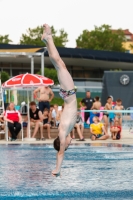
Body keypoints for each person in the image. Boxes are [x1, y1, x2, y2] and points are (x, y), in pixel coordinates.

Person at [41, 23, 77, 175]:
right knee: (59, 64)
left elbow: (60, 153)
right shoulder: (66, 132)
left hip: (68, 94)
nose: (70, 143)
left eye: (67, 145)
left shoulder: (63, 134)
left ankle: (48, 38)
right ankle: (47, 39)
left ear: (63, 143)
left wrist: (57, 169)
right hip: (68, 95)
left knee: (59, 64)